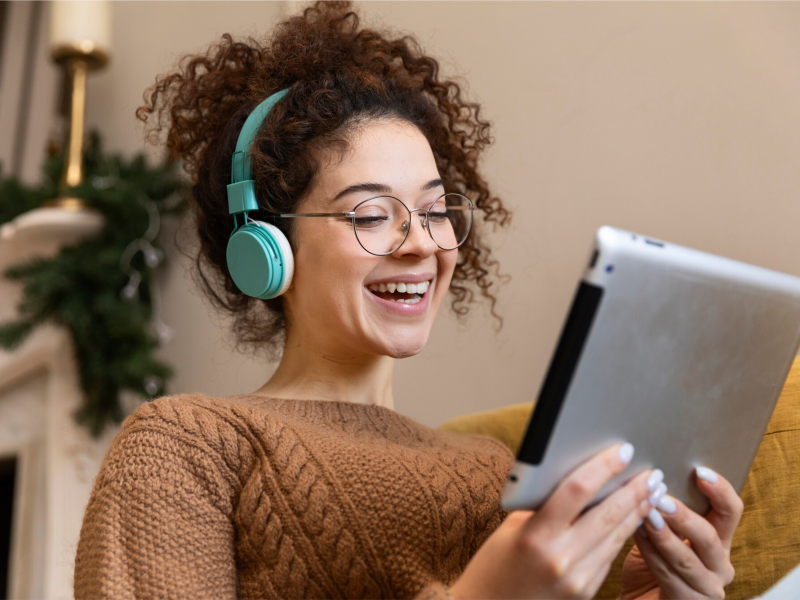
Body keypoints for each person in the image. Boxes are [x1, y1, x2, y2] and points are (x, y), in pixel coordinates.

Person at [73, 1, 743, 598]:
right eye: (369, 214)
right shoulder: (188, 446)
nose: (420, 243)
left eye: (434, 210)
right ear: (266, 249)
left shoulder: (500, 474)